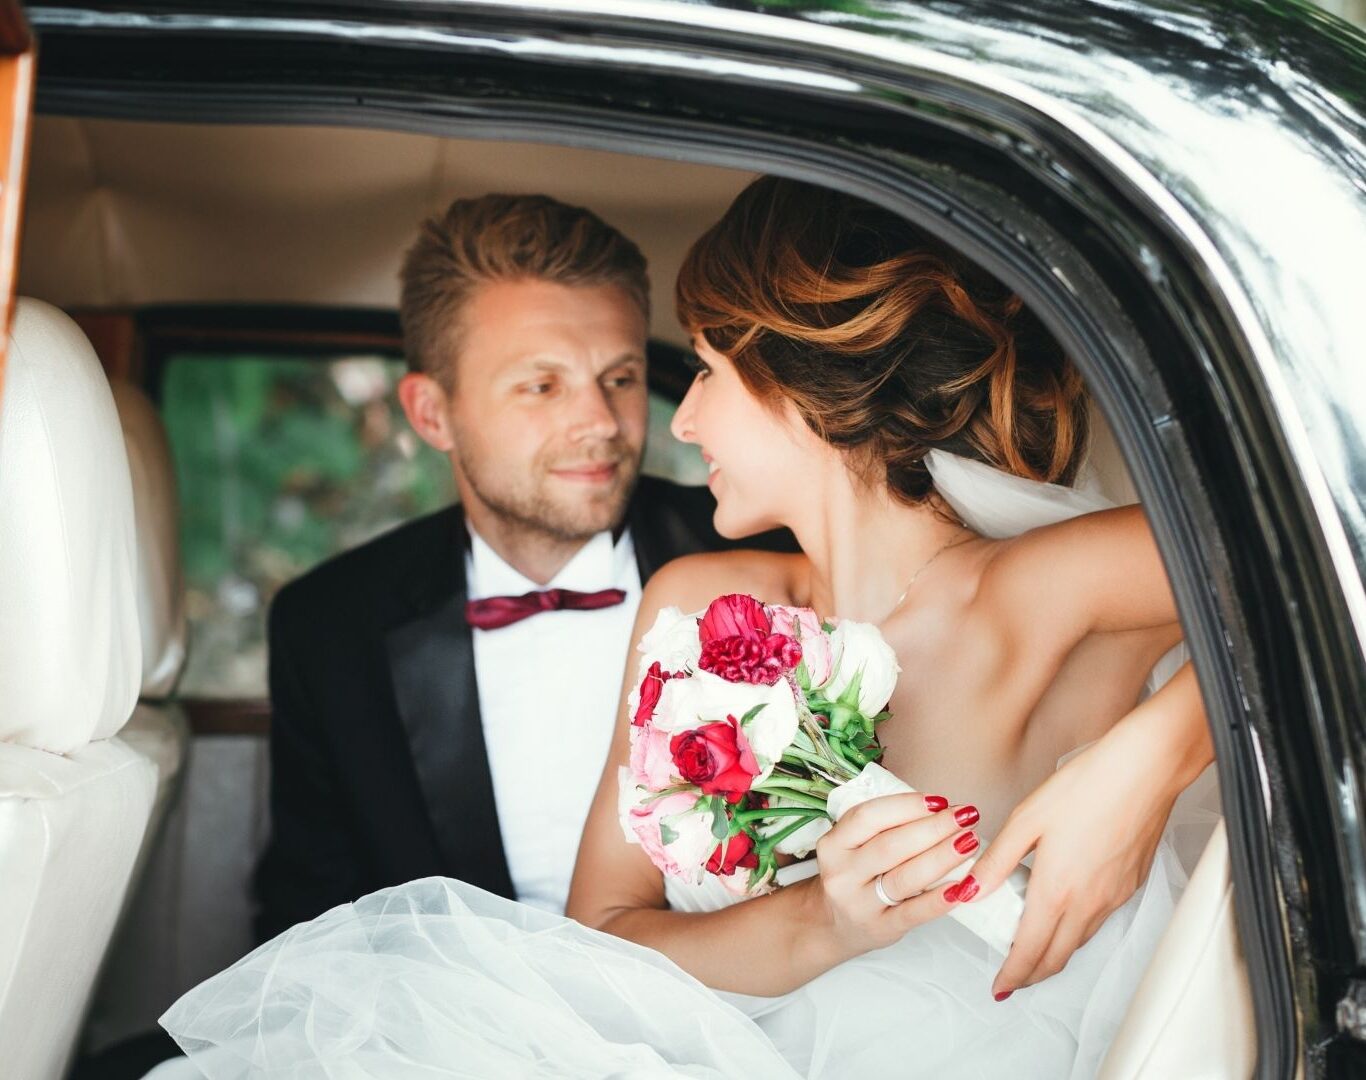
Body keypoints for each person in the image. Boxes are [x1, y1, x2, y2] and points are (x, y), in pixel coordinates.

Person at [158, 178, 1215, 1079]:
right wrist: (823, 923)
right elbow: (604, 938)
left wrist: (1147, 762)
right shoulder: (696, 603)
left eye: (700, 370)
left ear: (796, 388)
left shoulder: (1044, 587)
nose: (676, 420)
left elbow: (1326, 577)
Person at [252, 192, 792, 939]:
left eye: (623, 377)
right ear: (432, 414)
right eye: (542, 386)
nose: (601, 422)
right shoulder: (333, 627)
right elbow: (307, 918)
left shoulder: (767, 562)